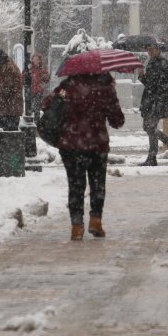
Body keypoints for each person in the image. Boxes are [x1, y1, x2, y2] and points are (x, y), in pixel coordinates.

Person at [43, 73, 124, 241]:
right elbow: (117, 120)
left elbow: (47, 103)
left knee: (75, 185)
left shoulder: (67, 86)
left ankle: (77, 226)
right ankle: (95, 220)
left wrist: (65, 98)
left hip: (71, 145)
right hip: (97, 144)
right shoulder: (105, 87)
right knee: (97, 184)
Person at [137, 41, 168, 166]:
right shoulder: (150, 63)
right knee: (148, 127)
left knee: (150, 127)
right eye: (148, 50)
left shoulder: (164, 63)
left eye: (152, 49)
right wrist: (141, 75)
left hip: (157, 102)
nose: (149, 52)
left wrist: (159, 93)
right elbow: (149, 84)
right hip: (149, 101)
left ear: (158, 49)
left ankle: (153, 157)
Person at [0, 49, 23, 130]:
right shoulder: (8, 66)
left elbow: (7, 88)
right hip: (10, 109)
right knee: (6, 134)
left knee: (5, 135)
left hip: (9, 109)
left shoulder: (7, 68)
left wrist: (2, 100)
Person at [29, 54, 50, 123]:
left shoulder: (43, 68)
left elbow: (47, 79)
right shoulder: (30, 68)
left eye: (37, 59)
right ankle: (32, 120)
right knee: (31, 107)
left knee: (37, 106)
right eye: (34, 59)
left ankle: (37, 120)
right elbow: (24, 77)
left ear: (39, 60)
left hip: (39, 91)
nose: (35, 61)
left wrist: (44, 77)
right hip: (31, 90)